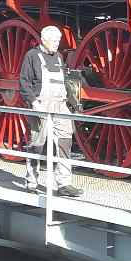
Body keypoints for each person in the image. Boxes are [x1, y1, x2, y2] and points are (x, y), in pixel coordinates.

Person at [19, 25, 81, 197]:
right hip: (41, 104)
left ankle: (64, 183)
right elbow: (24, 82)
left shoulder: (59, 57)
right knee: (37, 144)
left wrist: (73, 104)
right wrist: (33, 102)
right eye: (54, 40)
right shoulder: (32, 56)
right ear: (44, 40)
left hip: (60, 104)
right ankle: (31, 181)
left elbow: (65, 82)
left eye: (58, 40)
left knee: (65, 141)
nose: (56, 43)